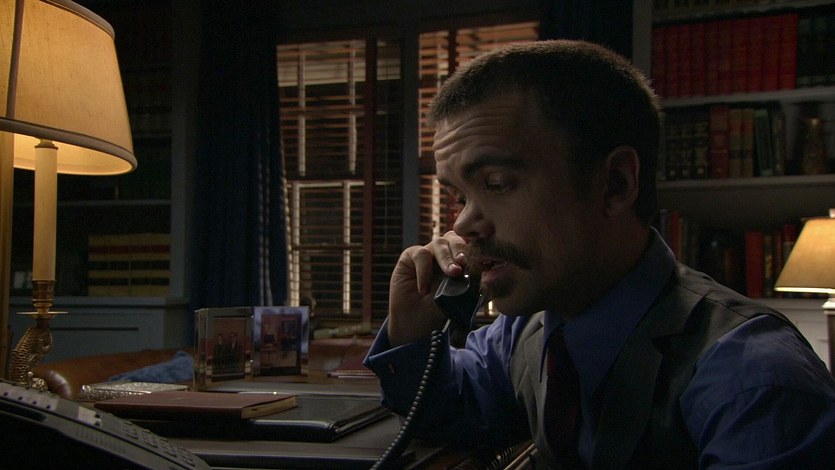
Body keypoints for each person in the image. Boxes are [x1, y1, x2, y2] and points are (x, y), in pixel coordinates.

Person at [363, 40, 835, 468]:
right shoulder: (529, 330)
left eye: (497, 183)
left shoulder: (755, 381)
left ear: (615, 184)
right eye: (459, 196)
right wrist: (412, 330)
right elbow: (448, 411)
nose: (464, 224)